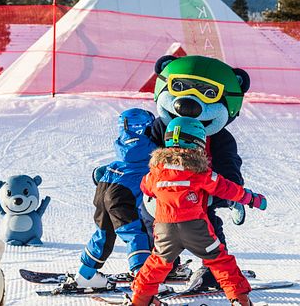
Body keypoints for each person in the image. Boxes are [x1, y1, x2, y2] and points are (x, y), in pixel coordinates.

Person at [127, 117, 267, 306]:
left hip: (164, 230)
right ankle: (239, 300)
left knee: (157, 263)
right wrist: (252, 199)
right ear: (198, 142)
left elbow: (146, 187)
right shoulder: (199, 171)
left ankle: (140, 300)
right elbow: (227, 188)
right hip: (196, 229)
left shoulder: (155, 171)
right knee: (220, 261)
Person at [66, 108, 158, 289]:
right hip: (123, 195)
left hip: (105, 186)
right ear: (144, 128)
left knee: (103, 233)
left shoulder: (122, 147)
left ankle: (85, 274)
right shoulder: (150, 149)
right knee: (135, 233)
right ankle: (144, 279)